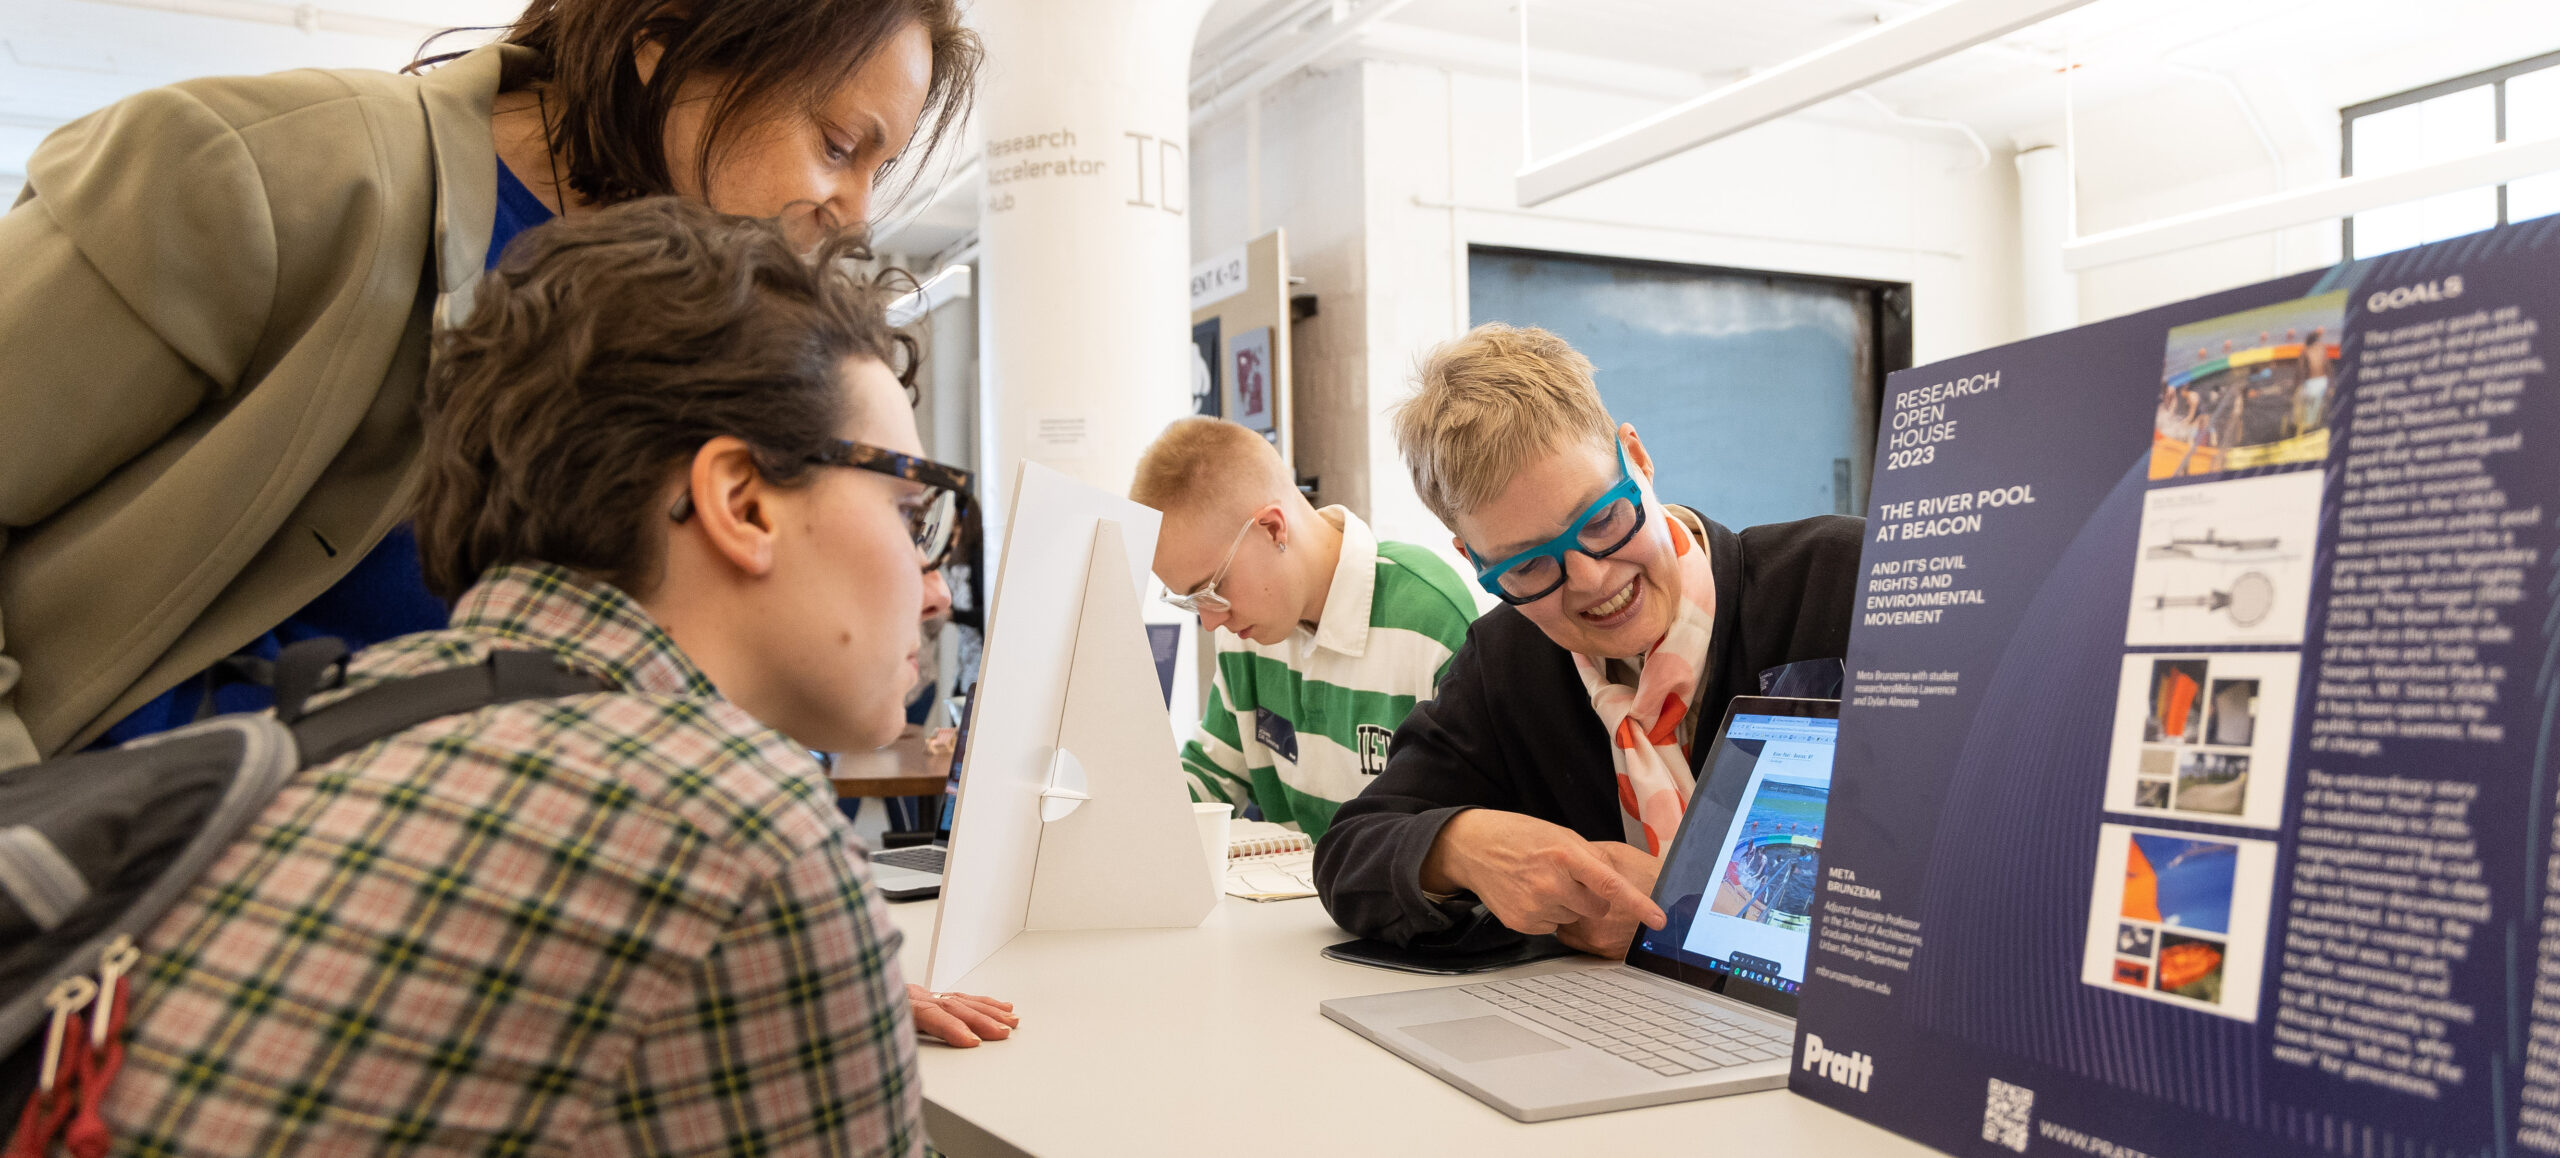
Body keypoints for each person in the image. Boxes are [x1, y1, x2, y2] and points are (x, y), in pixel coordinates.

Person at [97, 200, 1010, 1156]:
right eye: (910, 513)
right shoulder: (732, 822)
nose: (932, 588)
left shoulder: (360, 710)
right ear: (742, 503)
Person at [0, 0, 981, 769]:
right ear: (666, 43)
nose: (851, 214)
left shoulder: (696, 330)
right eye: (838, 145)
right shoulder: (264, 177)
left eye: (879, 169)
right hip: (123, 904)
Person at [1313, 324, 1862, 958]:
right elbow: (1351, 851)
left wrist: (1701, 914)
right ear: (1472, 559)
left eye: (1602, 518)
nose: (1591, 578)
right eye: (1527, 566)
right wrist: (1461, 845)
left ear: (1639, 458)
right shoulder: (1505, 667)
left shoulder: (1847, 580)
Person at [1131, 419, 1478, 840]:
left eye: (1212, 588)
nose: (1210, 620)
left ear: (1273, 528)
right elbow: (1212, 776)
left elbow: (1471, 832)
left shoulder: (1430, 619)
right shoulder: (1246, 632)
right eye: (1192, 601)